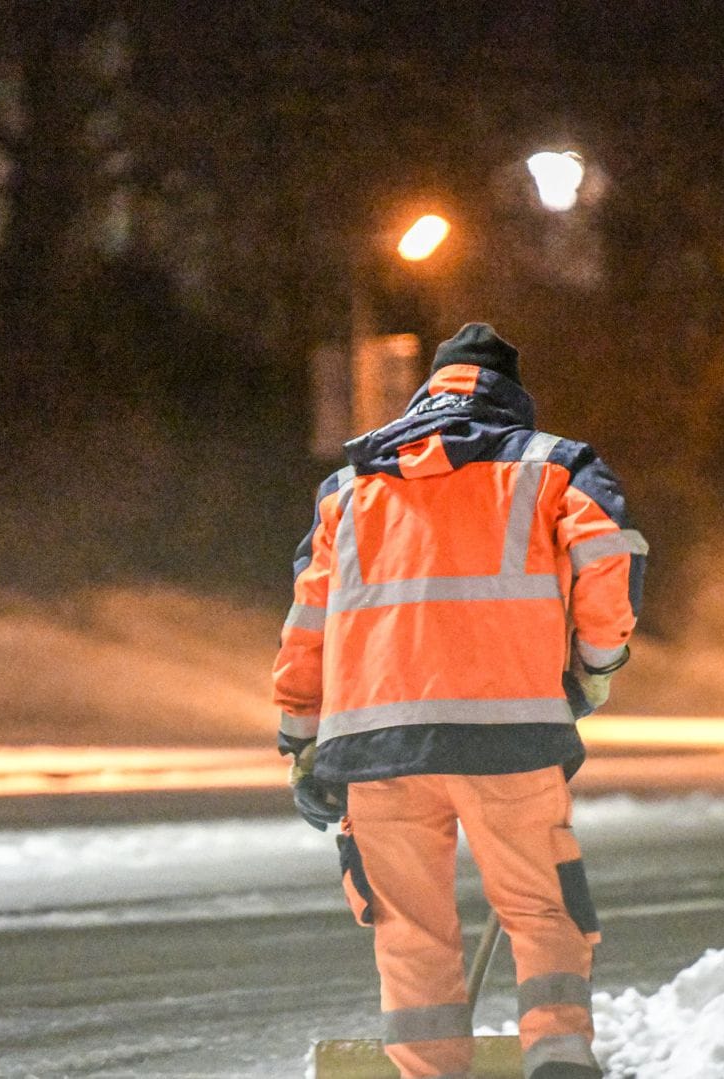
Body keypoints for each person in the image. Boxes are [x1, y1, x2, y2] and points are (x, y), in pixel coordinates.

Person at [272, 323, 645, 1079]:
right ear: (511, 398)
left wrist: (300, 739)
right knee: (541, 907)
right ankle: (559, 1055)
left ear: (426, 394)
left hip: (375, 746)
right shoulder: (553, 467)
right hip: (511, 735)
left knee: (409, 929)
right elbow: (608, 556)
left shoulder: (349, 489)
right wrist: (596, 661)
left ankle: (426, 1069)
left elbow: (308, 623)